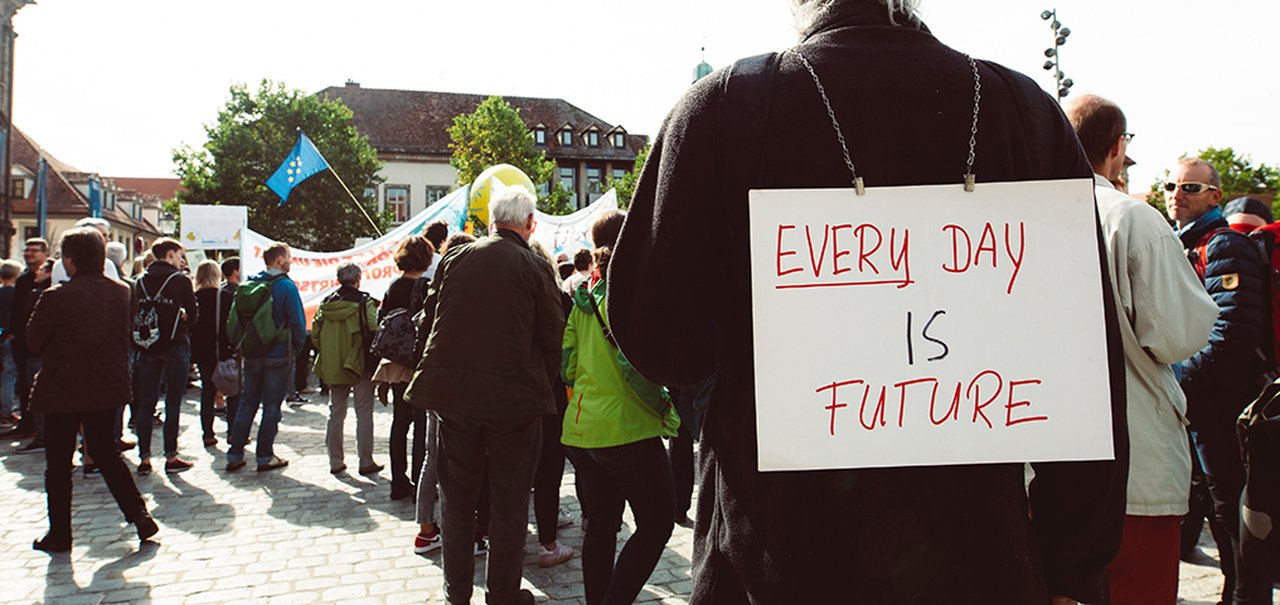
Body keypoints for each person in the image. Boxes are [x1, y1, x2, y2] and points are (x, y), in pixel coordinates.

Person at [606, 1, 1131, 602]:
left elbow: (659, 340)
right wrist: (1075, 568)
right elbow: (1085, 369)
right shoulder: (1026, 112)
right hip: (983, 559)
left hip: (773, 562)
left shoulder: (726, 107)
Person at [1065, 95, 1219, 603]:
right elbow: (1181, 335)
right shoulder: (1132, 219)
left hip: (1046, 467)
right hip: (1133, 467)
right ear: (1116, 148)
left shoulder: (1023, 219)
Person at [407, 189, 563, 605]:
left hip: (455, 399)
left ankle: (456, 595)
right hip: (513, 404)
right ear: (530, 223)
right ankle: (503, 596)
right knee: (509, 507)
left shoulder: (457, 257)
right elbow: (553, 337)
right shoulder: (533, 265)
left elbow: (429, 321)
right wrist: (539, 387)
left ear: (492, 221)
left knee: (456, 503)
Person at [1168, 157, 1274, 604]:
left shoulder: (1224, 245)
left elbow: (1231, 331)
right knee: (1219, 506)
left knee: (1232, 506)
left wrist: (1181, 381)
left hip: (1225, 404)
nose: (1177, 193)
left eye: (1190, 187)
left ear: (1215, 196)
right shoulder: (1185, 244)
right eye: (1171, 184)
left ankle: (1245, 595)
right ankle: (1235, 590)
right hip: (1208, 402)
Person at [563, 210, 677, 602]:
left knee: (600, 526)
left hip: (583, 431)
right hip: (628, 428)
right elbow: (638, 368)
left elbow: (568, 366)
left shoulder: (583, 297)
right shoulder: (631, 292)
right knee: (658, 522)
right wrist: (665, 407)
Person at [27, 227, 157, 552]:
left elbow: (34, 342)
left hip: (64, 388)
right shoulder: (121, 291)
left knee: (58, 464)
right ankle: (139, 514)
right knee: (105, 453)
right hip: (107, 385)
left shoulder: (56, 296)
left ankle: (60, 534)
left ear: (69, 260)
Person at [226, 242, 306, 473]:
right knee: (271, 406)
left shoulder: (249, 283)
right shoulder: (286, 287)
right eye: (288, 257)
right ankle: (264, 456)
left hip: (251, 353)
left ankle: (235, 453)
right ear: (279, 260)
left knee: (247, 403)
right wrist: (295, 349)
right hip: (278, 353)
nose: (290, 261)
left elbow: (233, 322)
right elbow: (298, 324)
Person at [131, 238, 198, 475]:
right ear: (170, 254)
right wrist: (182, 316)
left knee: (146, 403)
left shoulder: (139, 281)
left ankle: (144, 458)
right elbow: (193, 313)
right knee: (172, 403)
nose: (182, 260)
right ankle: (170, 456)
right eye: (180, 255)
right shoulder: (180, 280)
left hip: (147, 347)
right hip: (175, 344)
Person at [373, 236, 432, 501]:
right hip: (420, 363)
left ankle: (398, 481)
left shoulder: (393, 286)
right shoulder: (428, 287)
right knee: (421, 425)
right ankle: (421, 483)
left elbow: (382, 322)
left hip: (397, 363)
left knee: (400, 422)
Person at [312, 261, 382, 476]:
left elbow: (315, 335)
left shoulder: (326, 303)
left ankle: (335, 461)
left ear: (338, 280)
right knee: (364, 412)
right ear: (358, 279)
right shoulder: (365, 302)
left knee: (336, 412)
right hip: (359, 363)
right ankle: (365, 460)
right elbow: (375, 327)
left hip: (334, 364)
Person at [3, 239, 49, 448]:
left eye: (34, 250)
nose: (29, 253)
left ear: (44, 253)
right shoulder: (23, 280)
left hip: (40, 342)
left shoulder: (48, 279)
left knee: (36, 385)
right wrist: (12, 333)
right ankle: (27, 423)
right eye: (27, 249)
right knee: (23, 382)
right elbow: (16, 310)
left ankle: (40, 429)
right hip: (20, 340)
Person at [190, 260, 233, 447]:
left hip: (201, 351)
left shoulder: (194, 297)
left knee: (207, 391)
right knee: (232, 390)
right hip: (223, 349)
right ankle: (233, 433)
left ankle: (207, 433)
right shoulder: (224, 296)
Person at [51, 217, 120, 284]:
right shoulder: (60, 265)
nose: (107, 240)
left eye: (107, 236)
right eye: (102, 235)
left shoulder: (108, 264)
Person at [0, 260, 22, 426]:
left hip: (1, 335)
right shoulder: (16, 293)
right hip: (10, 337)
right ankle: (6, 413)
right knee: (9, 375)